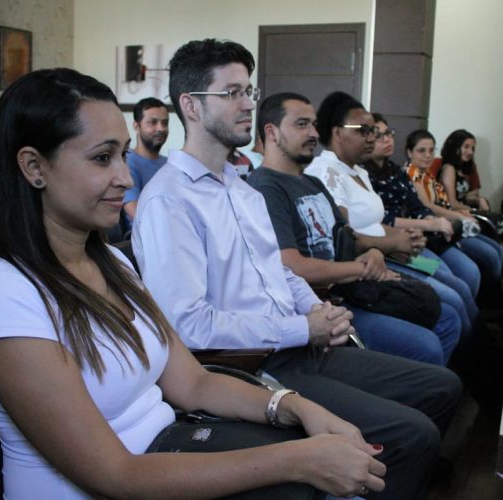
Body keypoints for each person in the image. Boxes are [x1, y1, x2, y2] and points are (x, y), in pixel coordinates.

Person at [0, 67, 389, 499]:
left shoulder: (111, 263)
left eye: (123, 154)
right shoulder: (6, 296)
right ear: (34, 166)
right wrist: (299, 460)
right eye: (102, 158)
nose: (126, 178)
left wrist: (292, 405)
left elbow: (193, 383)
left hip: (170, 448)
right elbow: (115, 475)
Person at [134, 39, 462, 499]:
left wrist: (317, 312)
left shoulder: (242, 190)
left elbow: (279, 272)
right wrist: (301, 328)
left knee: (441, 386)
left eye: (249, 91)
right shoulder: (170, 200)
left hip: (297, 344)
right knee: (413, 434)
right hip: (246, 367)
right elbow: (188, 325)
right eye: (232, 93)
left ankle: (392, 475)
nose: (248, 104)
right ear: (191, 105)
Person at [248, 92, 461, 366]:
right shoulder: (267, 187)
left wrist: (373, 252)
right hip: (323, 301)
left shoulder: (316, 182)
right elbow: (292, 267)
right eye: (302, 124)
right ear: (272, 132)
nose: (314, 133)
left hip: (356, 281)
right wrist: (366, 264)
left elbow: (347, 237)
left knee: (448, 309)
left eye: (314, 125)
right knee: (432, 337)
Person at [362, 115, 480, 338]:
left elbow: (418, 205)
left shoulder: (396, 171)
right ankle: (474, 344)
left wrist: (433, 223)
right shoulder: (363, 175)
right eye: (378, 135)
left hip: (415, 243)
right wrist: (428, 223)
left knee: (461, 283)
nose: (386, 139)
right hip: (392, 251)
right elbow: (383, 219)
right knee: (454, 295)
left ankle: (477, 338)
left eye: (388, 133)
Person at [405, 129, 503, 286]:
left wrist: (463, 212)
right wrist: (459, 216)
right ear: (409, 152)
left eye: (431, 150)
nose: (428, 155)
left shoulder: (425, 174)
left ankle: (491, 295)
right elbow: (427, 206)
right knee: (465, 273)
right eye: (421, 151)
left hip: (437, 232)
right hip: (418, 242)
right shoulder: (410, 173)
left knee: (494, 252)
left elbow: (439, 205)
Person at [438, 129, 503, 273]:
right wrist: (474, 210)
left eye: (472, 148)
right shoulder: (449, 169)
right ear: (455, 147)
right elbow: (452, 203)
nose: (470, 152)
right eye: (466, 147)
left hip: (470, 212)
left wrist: (479, 199)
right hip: (462, 216)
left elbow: (466, 196)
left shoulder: (464, 169)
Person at [122, 97, 169, 224]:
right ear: (136, 126)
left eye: (165, 123)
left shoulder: (169, 164)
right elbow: (137, 213)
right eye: (153, 122)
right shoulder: (126, 161)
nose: (160, 128)